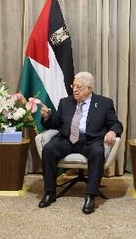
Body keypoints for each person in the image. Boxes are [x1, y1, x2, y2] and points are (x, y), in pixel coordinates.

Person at [38, 71, 123, 214]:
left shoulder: (104, 103)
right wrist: (47, 118)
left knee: (97, 152)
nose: (75, 90)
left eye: (79, 87)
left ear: (89, 88)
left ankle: (90, 196)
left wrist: (112, 131)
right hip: (67, 139)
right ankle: (49, 192)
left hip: (90, 140)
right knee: (49, 149)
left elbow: (116, 124)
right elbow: (55, 124)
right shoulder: (65, 102)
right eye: (74, 86)